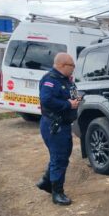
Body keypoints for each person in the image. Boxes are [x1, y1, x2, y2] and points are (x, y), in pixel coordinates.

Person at [37, 52, 81, 206]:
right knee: (59, 158)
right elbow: (46, 100)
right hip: (54, 125)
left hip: (63, 124)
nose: (73, 69)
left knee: (61, 155)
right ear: (63, 65)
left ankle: (46, 182)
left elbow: (70, 95)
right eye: (72, 66)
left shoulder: (66, 80)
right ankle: (57, 193)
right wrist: (68, 105)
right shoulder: (50, 80)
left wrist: (77, 99)